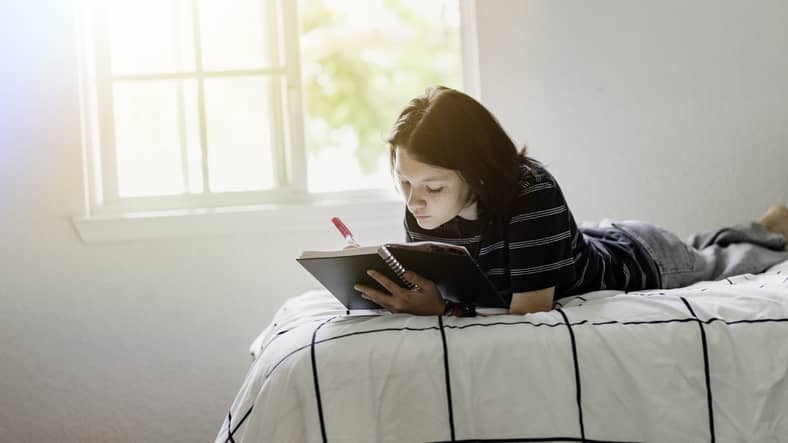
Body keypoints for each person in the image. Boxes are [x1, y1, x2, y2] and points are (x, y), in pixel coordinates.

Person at [353, 86, 788, 316]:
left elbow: (529, 311)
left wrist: (443, 310)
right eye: (403, 183)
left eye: (432, 187)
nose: (414, 202)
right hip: (598, 238)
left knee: (718, 262)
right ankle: (765, 223)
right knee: (695, 245)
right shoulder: (425, 199)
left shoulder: (529, 191)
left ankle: (769, 230)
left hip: (641, 260)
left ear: (478, 173)